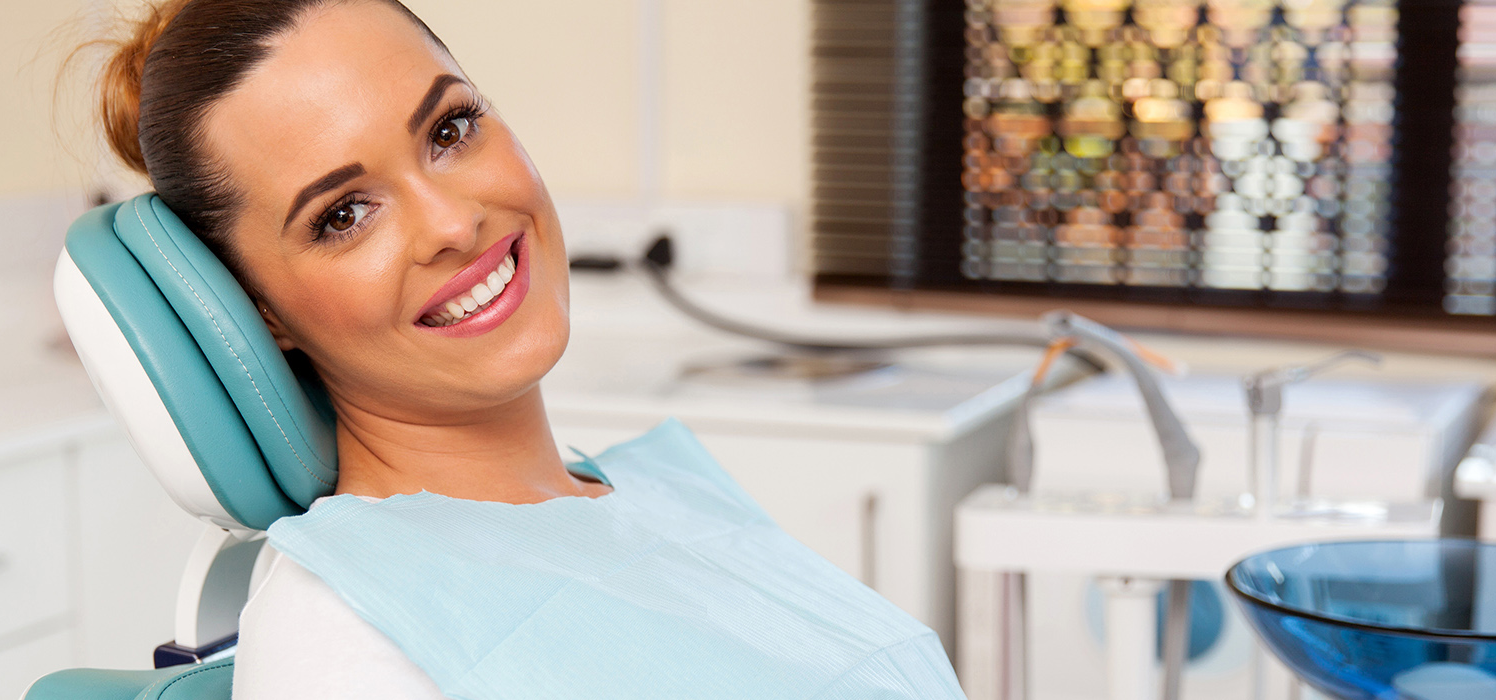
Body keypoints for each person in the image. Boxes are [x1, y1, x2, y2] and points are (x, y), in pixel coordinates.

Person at [88, 1, 966, 697]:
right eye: (343, 215)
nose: (453, 222)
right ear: (260, 312)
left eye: (449, 130)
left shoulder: (655, 492)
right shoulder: (345, 633)